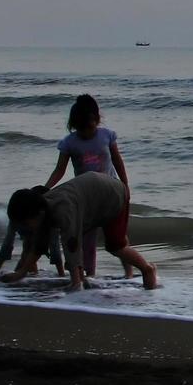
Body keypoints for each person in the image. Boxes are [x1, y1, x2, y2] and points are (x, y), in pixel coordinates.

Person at [2, 173, 157, 291]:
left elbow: (71, 244)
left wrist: (75, 283)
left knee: (115, 245)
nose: (26, 227)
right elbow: (40, 245)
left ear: (37, 214)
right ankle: (80, 277)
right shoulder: (45, 208)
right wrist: (21, 273)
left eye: (26, 222)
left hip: (112, 195)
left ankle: (146, 268)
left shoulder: (62, 211)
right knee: (79, 238)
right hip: (92, 195)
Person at [41, 94, 130, 277]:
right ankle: (89, 275)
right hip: (85, 199)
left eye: (89, 127)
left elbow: (117, 161)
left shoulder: (106, 136)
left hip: (110, 194)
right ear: (74, 126)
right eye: (80, 129)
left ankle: (128, 272)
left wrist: (125, 185)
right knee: (86, 239)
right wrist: (46, 189)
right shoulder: (69, 143)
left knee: (117, 238)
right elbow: (59, 170)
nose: (86, 132)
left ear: (97, 120)